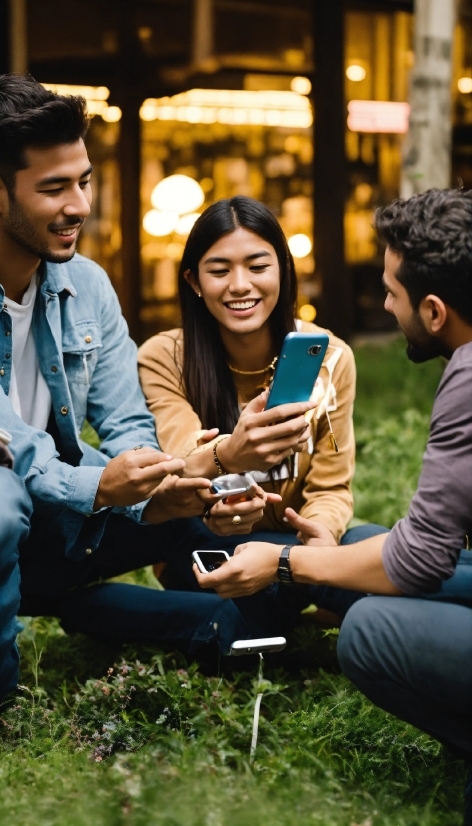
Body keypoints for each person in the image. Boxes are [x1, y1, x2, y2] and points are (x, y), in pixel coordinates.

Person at [193, 188, 472, 825]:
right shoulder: (168, 356)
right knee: (366, 548)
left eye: (391, 292)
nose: (383, 303)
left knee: (371, 627)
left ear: (433, 310)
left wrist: (286, 565)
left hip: (291, 555)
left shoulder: (467, 379)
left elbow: (419, 563)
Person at [0, 73, 269, 701]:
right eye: (54, 188)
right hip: (19, 510)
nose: (80, 206)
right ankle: (5, 702)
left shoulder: (86, 285)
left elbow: (126, 423)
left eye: (84, 180)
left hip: (62, 520)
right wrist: (103, 488)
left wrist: (172, 480)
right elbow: (17, 446)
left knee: (211, 510)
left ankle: (248, 625)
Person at [138, 196, 382, 624]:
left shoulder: (331, 359)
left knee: (368, 540)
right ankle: (314, 600)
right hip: (207, 546)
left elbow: (331, 487)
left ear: (284, 271)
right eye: (219, 270)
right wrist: (221, 498)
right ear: (194, 281)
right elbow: (180, 466)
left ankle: (289, 598)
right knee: (364, 566)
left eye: (257, 266)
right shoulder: (164, 357)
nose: (239, 285)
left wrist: (322, 536)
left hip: (291, 546)